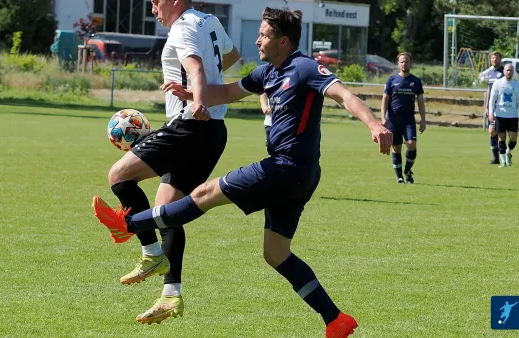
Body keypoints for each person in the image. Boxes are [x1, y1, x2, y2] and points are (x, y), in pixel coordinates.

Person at [94, 7, 392, 337]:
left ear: (283, 40)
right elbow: (231, 92)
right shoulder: (267, 72)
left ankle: (129, 225)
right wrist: (191, 95)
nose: (257, 39)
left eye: (263, 35)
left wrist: (374, 123)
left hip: (286, 167)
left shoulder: (305, 67)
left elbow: (344, 95)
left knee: (204, 194)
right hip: (298, 176)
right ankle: (335, 319)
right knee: (275, 253)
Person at [97, 0, 240, 325]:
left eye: (156, 1)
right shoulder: (209, 22)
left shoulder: (182, 26)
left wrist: (199, 100)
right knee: (166, 211)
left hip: (190, 125)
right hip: (215, 131)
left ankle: (150, 254)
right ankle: (170, 294)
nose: (152, 8)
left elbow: (195, 69)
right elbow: (231, 57)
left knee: (118, 176)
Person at [380, 52, 426, 184]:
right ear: (398, 63)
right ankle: (399, 177)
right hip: (394, 119)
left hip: (408, 119)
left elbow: (421, 102)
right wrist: (383, 117)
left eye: (406, 61)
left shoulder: (416, 81)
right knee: (396, 147)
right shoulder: (391, 80)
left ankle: (407, 170)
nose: (404, 64)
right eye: (401, 62)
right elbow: (385, 99)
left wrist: (423, 120)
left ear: (410, 63)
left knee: (411, 144)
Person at [488, 63, 519, 167]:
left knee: (513, 138)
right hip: (500, 114)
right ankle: (503, 161)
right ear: (504, 71)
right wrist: (491, 113)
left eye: (511, 70)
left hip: (512, 115)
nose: (509, 72)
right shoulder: (498, 83)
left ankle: (508, 152)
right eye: (507, 70)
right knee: (501, 137)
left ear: (513, 72)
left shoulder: (517, 84)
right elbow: (492, 99)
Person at [484, 51, 504, 164]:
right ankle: (496, 158)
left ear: (500, 59)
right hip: (492, 107)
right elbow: (489, 90)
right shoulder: (490, 72)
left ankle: (504, 154)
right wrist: (487, 107)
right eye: (492, 58)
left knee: (500, 132)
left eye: (496, 58)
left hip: (501, 107)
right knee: (492, 131)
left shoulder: (504, 72)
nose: (494, 60)